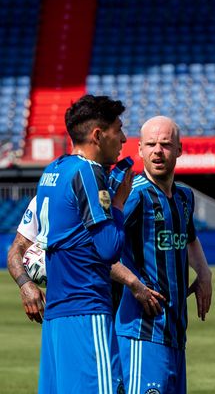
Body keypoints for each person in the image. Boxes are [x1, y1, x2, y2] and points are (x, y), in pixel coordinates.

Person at [36, 94, 133, 394]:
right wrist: (118, 202)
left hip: (56, 314)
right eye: (118, 130)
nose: (124, 138)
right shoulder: (89, 172)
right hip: (87, 310)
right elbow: (109, 248)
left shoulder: (54, 169)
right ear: (97, 135)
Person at [111, 116, 212, 394]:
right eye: (151, 144)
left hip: (176, 334)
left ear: (179, 149)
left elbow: (190, 239)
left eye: (166, 144)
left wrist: (204, 272)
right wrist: (134, 284)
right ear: (140, 149)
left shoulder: (184, 197)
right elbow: (98, 250)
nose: (158, 150)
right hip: (141, 331)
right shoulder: (134, 196)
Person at [6, 196, 44, 323]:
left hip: (98, 300)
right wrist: (25, 284)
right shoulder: (41, 198)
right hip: (57, 307)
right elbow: (18, 247)